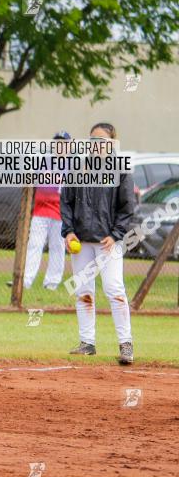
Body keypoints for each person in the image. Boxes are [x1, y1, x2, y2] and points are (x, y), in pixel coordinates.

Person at [61, 122, 135, 364]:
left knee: (114, 290)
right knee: (84, 291)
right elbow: (66, 202)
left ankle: (126, 344)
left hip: (107, 243)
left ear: (112, 143)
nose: (96, 145)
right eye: (92, 140)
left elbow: (127, 207)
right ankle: (87, 343)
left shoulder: (121, 170)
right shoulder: (78, 168)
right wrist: (68, 231)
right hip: (81, 241)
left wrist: (115, 234)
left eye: (101, 141)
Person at [23, 130, 71, 290]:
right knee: (34, 245)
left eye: (63, 144)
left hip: (61, 214)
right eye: (57, 143)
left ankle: (52, 282)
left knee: (57, 247)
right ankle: (26, 280)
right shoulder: (43, 162)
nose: (60, 147)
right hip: (40, 211)